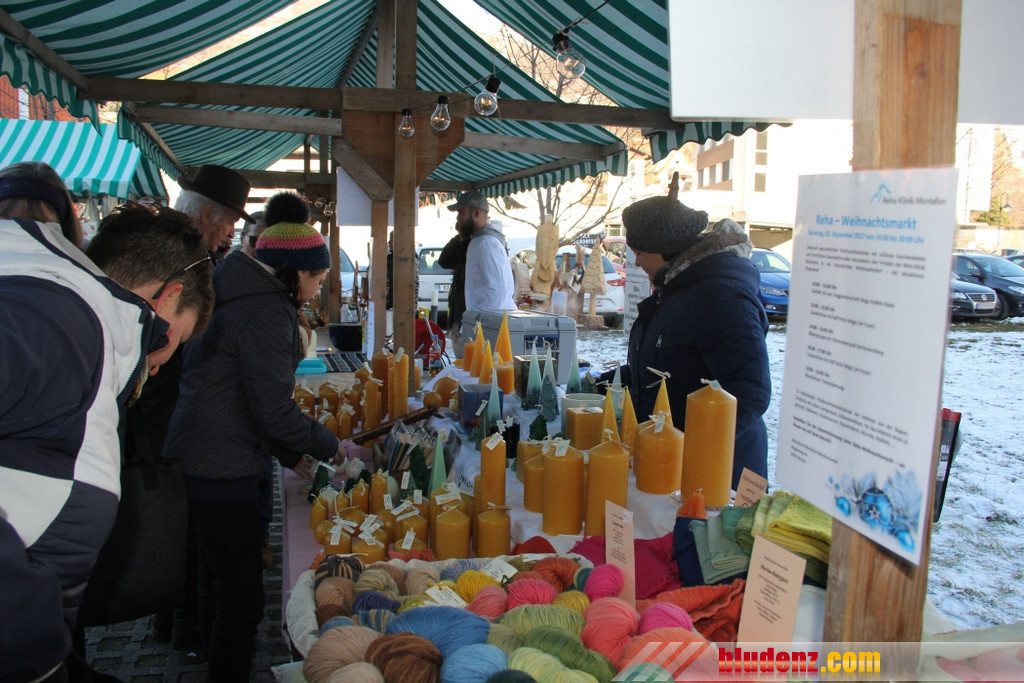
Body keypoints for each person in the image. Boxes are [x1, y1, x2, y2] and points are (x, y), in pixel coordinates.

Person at [0, 166, 214, 682]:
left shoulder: (80, 329)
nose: (156, 367)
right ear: (167, 298)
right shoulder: (58, 321)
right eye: (170, 342)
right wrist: (31, 643)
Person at [163, 218, 347, 681]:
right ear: (295, 272)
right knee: (242, 601)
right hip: (222, 465)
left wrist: (289, 454)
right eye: (318, 279)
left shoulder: (232, 288)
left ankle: (211, 661)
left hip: (203, 451)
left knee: (217, 581)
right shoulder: (265, 309)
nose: (316, 292)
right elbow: (273, 410)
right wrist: (330, 445)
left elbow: (239, 395)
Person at [143, 164, 254, 649]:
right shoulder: (183, 259)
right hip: (165, 406)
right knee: (182, 523)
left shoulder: (170, 248)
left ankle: (173, 621)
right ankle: (182, 622)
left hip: (163, 405)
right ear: (207, 215)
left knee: (179, 522)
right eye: (228, 223)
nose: (229, 234)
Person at [615, 185, 771, 488]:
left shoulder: (720, 297)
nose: (637, 263)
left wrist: (693, 449)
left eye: (639, 252)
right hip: (672, 463)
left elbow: (750, 390)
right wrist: (606, 382)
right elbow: (666, 365)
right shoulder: (676, 288)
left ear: (662, 249)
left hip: (720, 474)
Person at [449, 190, 517, 312]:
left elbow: (497, 290)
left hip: (493, 320)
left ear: (476, 212)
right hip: (486, 319)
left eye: (461, 213)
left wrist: (484, 322)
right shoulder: (480, 241)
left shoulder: (486, 243)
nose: (458, 218)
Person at [438, 218, 471, 333]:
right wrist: (458, 239)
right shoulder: (460, 248)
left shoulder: (471, 247)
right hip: (457, 309)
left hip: (466, 311)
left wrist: (462, 239)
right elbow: (443, 261)